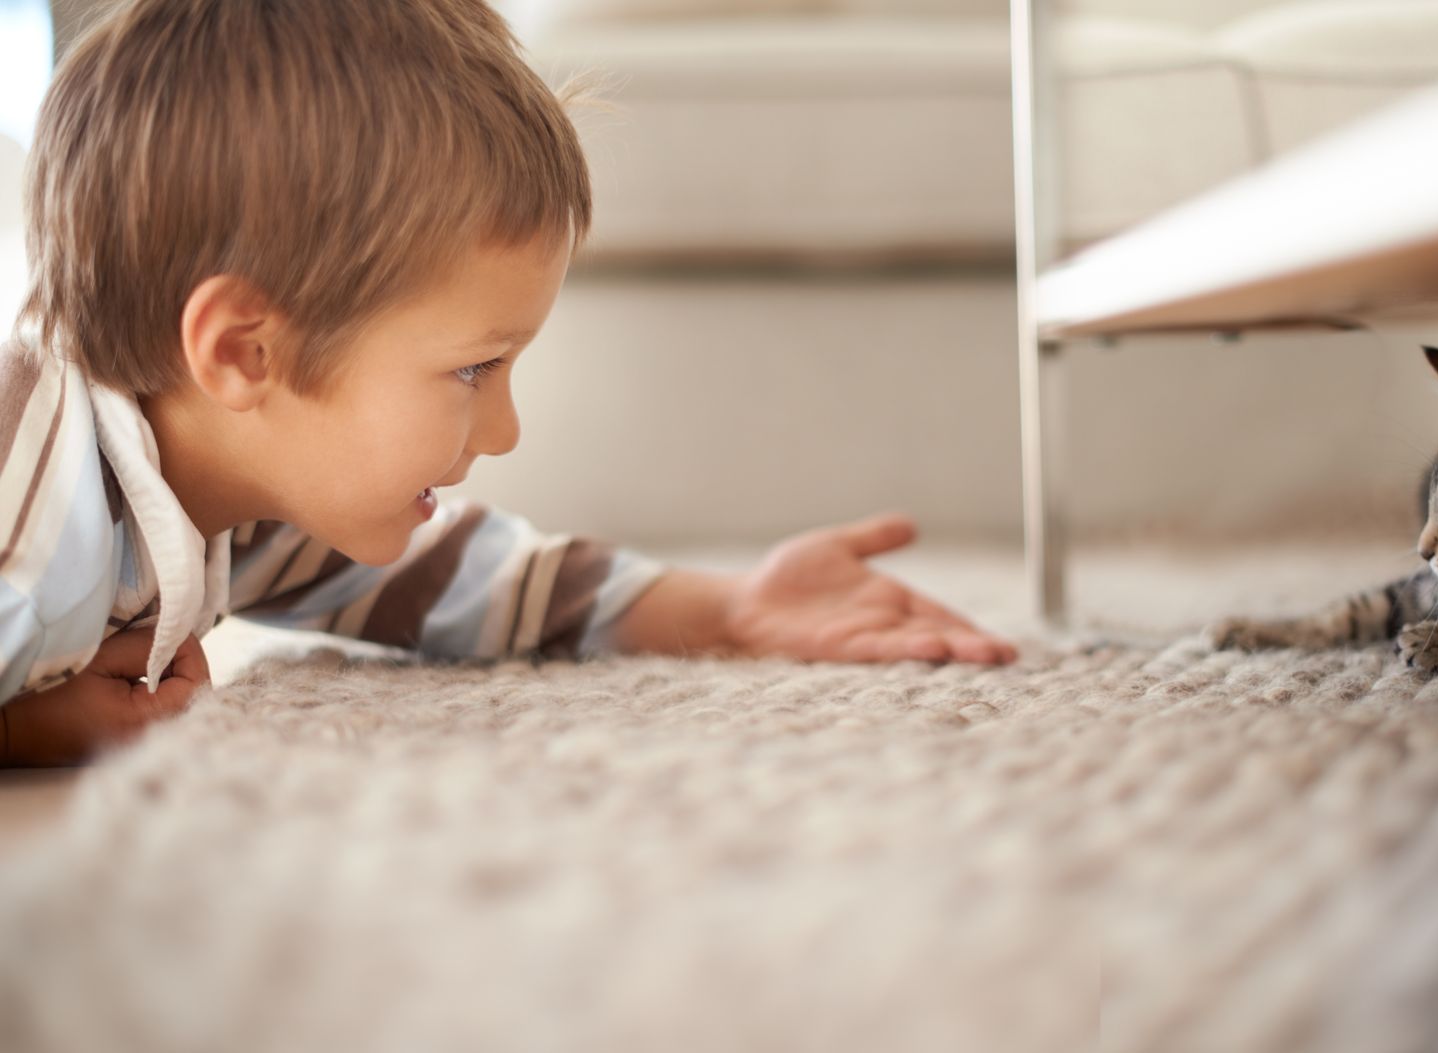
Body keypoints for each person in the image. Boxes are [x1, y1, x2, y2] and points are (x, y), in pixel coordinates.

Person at [0, 0, 1015, 768]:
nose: (505, 429)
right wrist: (24, 729)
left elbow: (463, 581)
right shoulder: (25, 472)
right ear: (244, 353)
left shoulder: (247, 494)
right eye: (475, 368)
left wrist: (725, 609)